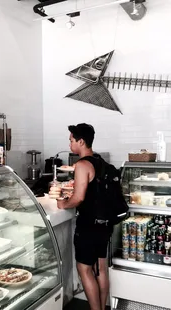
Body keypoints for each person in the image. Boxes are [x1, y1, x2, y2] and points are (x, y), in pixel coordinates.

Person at [56, 123, 112, 310]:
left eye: (71, 140)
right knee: (101, 269)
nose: (70, 144)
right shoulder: (101, 162)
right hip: (104, 224)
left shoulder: (82, 164)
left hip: (89, 225)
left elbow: (78, 197)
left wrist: (63, 203)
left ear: (81, 141)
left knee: (84, 269)